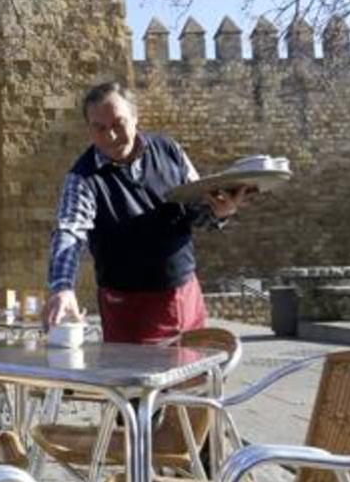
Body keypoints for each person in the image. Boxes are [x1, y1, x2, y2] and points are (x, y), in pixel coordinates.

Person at [43, 81, 251, 343]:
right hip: (128, 308)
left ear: (135, 117)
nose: (110, 135)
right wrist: (62, 287)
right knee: (137, 382)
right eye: (99, 128)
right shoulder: (83, 178)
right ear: (89, 129)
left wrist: (221, 212)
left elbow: (196, 209)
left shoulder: (170, 150)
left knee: (195, 376)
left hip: (184, 293)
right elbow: (69, 231)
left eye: (118, 123)